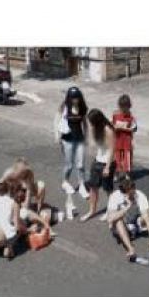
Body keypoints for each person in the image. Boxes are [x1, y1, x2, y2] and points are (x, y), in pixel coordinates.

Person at [107, 173, 149, 265]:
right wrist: (127, 207)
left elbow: (146, 216)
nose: (133, 195)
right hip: (122, 227)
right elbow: (110, 219)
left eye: (133, 192)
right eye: (130, 194)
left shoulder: (139, 195)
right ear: (124, 193)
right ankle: (130, 249)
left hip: (135, 224)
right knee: (118, 220)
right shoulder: (115, 196)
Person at [56, 86, 89, 219]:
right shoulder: (64, 107)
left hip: (79, 138)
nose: (75, 100)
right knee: (69, 165)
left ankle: (81, 185)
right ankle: (65, 181)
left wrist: (87, 136)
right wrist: (57, 137)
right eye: (72, 97)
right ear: (69, 98)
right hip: (67, 140)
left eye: (76, 97)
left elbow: (85, 123)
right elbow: (57, 121)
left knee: (80, 165)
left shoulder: (82, 107)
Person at [80, 108, 117, 222]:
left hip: (108, 163)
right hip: (97, 161)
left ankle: (110, 211)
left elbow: (112, 150)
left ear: (97, 121)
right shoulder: (96, 129)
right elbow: (93, 144)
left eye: (91, 122)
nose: (90, 124)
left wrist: (107, 167)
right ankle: (92, 210)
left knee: (108, 189)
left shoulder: (108, 130)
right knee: (93, 188)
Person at [111, 94, 137, 175]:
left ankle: (127, 175)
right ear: (119, 106)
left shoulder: (131, 117)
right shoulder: (115, 115)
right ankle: (116, 173)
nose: (124, 110)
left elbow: (135, 128)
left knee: (127, 159)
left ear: (129, 106)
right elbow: (111, 126)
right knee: (117, 158)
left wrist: (126, 129)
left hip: (127, 141)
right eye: (122, 108)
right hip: (117, 140)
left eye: (126, 108)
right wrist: (115, 127)